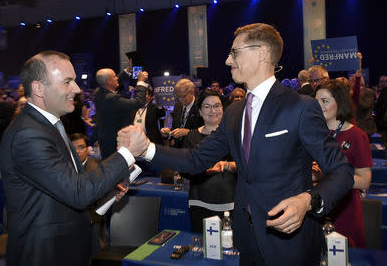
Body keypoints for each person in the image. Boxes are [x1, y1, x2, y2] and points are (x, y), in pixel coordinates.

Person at [118, 23, 354, 265]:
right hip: (246, 239)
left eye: (234, 53)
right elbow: (196, 159)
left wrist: (308, 201)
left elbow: (343, 171)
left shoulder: (300, 107)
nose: (228, 60)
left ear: (261, 53)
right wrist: (145, 148)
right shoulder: (234, 112)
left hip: (290, 243)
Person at [0, 51, 138, 266]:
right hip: (46, 255)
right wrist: (127, 153)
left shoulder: (49, 125)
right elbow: (77, 192)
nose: (77, 89)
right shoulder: (28, 135)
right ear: (38, 88)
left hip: (66, 248)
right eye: (67, 82)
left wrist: (103, 192)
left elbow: (64, 185)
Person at [314, 80, 372, 248]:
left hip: (344, 210)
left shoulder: (356, 136)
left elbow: (365, 180)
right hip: (314, 207)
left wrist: (328, 177)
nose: (319, 106)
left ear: (339, 103)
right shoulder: (311, 133)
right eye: (316, 101)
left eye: (324, 101)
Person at [183, 89, 237, 233]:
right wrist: (198, 169)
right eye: (207, 106)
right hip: (199, 202)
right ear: (200, 111)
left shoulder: (234, 135)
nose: (213, 110)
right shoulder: (191, 136)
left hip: (229, 203)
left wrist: (226, 165)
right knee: (202, 247)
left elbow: (246, 166)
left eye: (217, 106)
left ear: (223, 109)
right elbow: (185, 169)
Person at [93, 68, 148, 158]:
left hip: (106, 141)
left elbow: (111, 80)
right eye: (114, 76)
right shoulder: (111, 98)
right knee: (120, 169)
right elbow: (138, 103)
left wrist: (126, 71)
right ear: (109, 81)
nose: (117, 78)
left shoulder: (98, 93)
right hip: (116, 144)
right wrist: (141, 82)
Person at [160, 79, 203, 148]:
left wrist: (188, 132)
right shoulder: (177, 106)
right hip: (179, 151)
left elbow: (205, 133)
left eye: (183, 96)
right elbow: (176, 128)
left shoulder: (201, 107)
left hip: (194, 150)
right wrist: (169, 133)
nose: (180, 99)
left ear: (192, 92)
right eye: (177, 96)